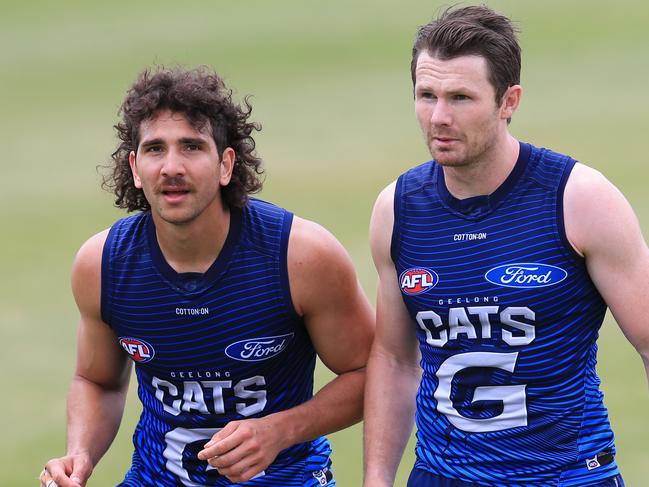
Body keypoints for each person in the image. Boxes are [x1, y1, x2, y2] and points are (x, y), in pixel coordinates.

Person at [42, 66, 374, 487]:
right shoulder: (101, 264)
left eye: (192, 147)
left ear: (225, 164)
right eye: (155, 149)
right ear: (136, 168)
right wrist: (80, 454)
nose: (171, 167)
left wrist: (279, 431)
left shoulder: (300, 255)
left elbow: (370, 373)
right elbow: (97, 381)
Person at [363, 5, 649, 487]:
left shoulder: (579, 199)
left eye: (460, 98)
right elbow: (394, 359)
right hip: (440, 477)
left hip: (565, 477)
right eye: (426, 95)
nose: (439, 117)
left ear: (508, 100)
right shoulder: (398, 209)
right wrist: (376, 481)